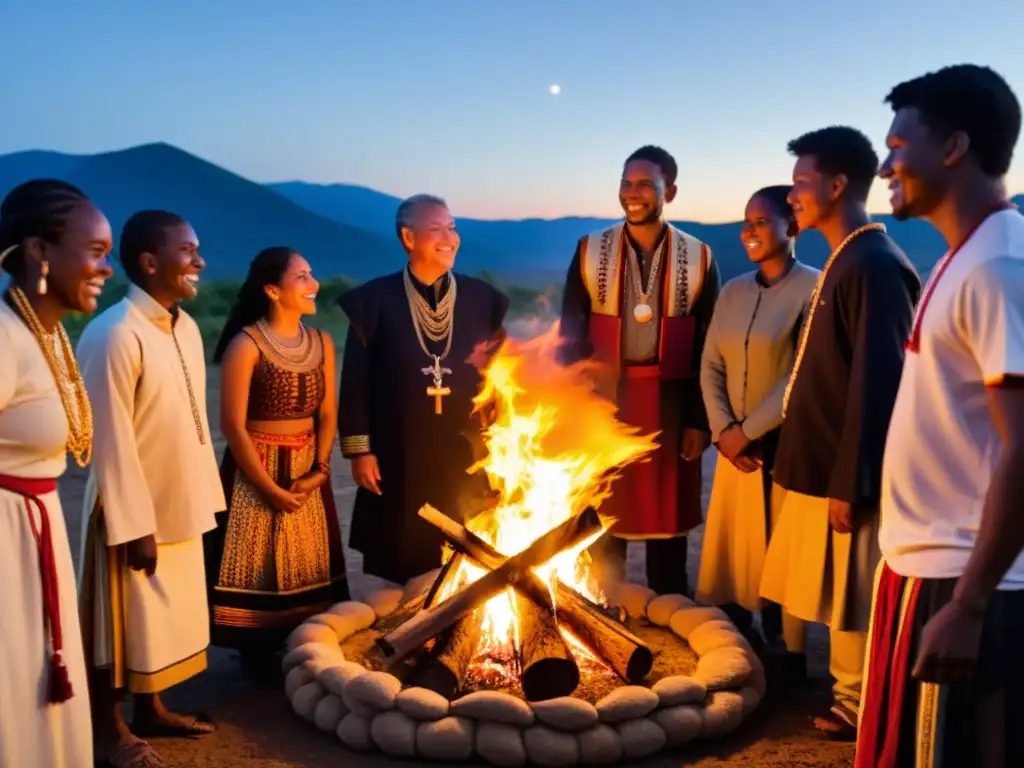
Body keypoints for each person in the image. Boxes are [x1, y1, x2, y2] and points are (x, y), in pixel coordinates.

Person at [857, 65, 1024, 768]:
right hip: (926, 570)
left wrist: (972, 601)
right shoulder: (965, 257)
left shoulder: (1000, 267)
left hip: (963, 580)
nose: (886, 165)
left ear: (953, 147)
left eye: (899, 145)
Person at [758, 126, 922, 740]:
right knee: (838, 595)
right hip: (827, 465)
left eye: (801, 184)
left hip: (850, 474)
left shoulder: (874, 265)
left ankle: (863, 706)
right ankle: (852, 697)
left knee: (856, 594)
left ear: (836, 185)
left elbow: (878, 385)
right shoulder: (849, 257)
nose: (792, 196)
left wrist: (852, 481)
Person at [77, 210, 226, 766]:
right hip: (132, 511)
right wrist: (132, 525)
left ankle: (152, 709)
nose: (199, 261)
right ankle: (109, 728)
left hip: (181, 499)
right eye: (187, 251)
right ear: (148, 262)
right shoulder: (113, 333)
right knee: (118, 630)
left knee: (163, 620)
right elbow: (108, 439)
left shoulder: (183, 326)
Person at [559, 145, 720, 597]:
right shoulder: (592, 250)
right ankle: (603, 611)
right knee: (602, 522)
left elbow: (706, 347)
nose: (633, 194)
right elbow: (570, 335)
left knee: (667, 524)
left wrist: (698, 421)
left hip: (669, 405)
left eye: (645, 185)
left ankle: (673, 614)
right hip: (603, 403)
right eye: (627, 184)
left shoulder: (699, 256)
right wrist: (571, 410)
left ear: (670, 190)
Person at [337, 194, 510, 585]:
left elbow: (501, 378)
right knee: (404, 545)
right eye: (437, 229)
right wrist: (360, 450)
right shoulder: (373, 301)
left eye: (453, 227)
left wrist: (504, 440)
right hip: (399, 451)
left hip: (466, 449)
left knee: (468, 546)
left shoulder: (483, 300)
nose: (450, 237)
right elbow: (355, 382)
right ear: (408, 237)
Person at [0, 180, 112, 767]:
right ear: (41, 251)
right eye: (95, 251)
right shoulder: (4, 336)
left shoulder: (47, 337)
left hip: (34, 533)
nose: (107, 268)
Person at [206, 247, 349, 671]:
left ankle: (306, 642)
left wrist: (320, 470)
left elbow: (327, 413)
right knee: (258, 563)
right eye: (301, 277)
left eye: (311, 274)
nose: (313, 285)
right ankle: (256, 652)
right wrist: (268, 488)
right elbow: (232, 425)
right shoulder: (246, 345)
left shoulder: (321, 342)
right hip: (256, 467)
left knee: (308, 561)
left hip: (306, 465)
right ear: (272, 290)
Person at [696, 185, 818, 670]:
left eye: (762, 221)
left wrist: (748, 432)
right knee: (734, 547)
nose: (749, 230)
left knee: (779, 551)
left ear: (792, 226)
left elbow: (802, 373)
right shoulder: (733, 290)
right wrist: (724, 429)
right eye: (746, 221)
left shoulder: (814, 289)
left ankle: (787, 656)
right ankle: (736, 637)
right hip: (732, 447)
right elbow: (710, 365)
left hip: (779, 446)